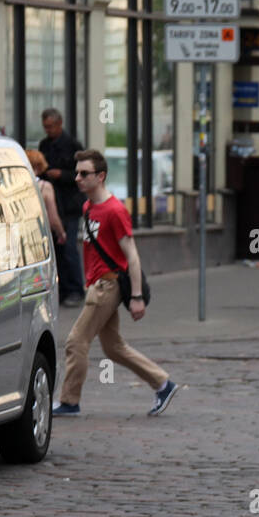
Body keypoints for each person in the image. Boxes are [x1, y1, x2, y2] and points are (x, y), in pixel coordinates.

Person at [53, 150, 179, 418]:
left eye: (84, 173)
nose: (77, 178)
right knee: (113, 347)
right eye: (77, 173)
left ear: (101, 176)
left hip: (106, 287)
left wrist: (136, 297)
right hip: (96, 285)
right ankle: (163, 384)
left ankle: (69, 401)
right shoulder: (88, 207)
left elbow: (132, 255)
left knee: (76, 342)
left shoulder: (115, 210)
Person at [38, 108, 86, 306]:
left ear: (59, 124)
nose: (48, 130)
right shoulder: (44, 145)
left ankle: (75, 289)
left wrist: (62, 175)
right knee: (56, 249)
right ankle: (63, 288)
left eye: (51, 126)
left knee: (68, 247)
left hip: (70, 204)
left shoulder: (73, 145)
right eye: (45, 127)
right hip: (53, 203)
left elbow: (81, 173)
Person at [25, 149, 69, 258]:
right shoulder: (45, 187)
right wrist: (61, 233)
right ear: (39, 165)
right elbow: (53, 218)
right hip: (40, 235)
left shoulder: (15, 185)